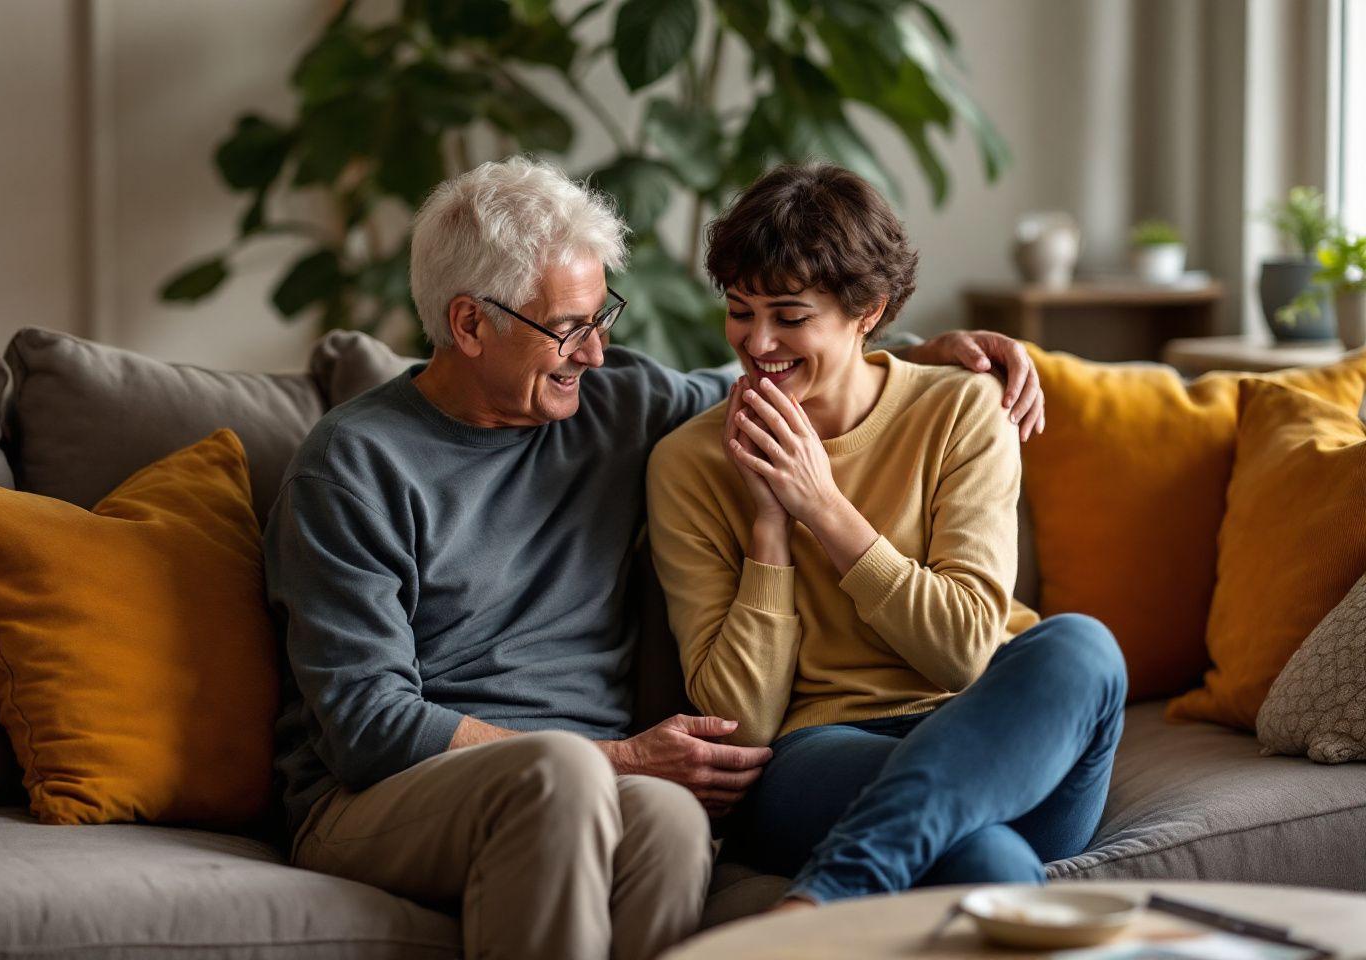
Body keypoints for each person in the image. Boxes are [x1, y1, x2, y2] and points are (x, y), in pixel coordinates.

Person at [264, 156, 1047, 960]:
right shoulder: (352, 468)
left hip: (588, 784)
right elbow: (368, 725)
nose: (596, 353)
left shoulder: (613, 405)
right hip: (381, 797)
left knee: (672, 820)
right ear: (469, 325)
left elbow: (785, 367)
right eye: (569, 328)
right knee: (565, 778)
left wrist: (931, 351)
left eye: (602, 317)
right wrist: (623, 757)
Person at [646, 163, 1125, 909]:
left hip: (999, 736)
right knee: (988, 862)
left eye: (790, 315)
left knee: (1083, 649)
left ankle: (822, 899)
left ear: (868, 310)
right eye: (740, 311)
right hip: (823, 753)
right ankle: (855, 879)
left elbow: (966, 652)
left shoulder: (961, 409)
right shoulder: (689, 463)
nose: (757, 340)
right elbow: (741, 726)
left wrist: (822, 507)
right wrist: (769, 527)